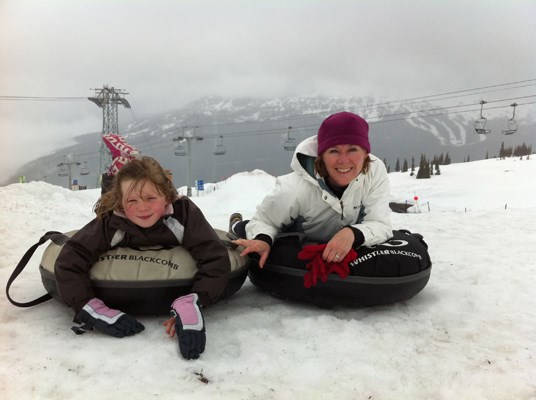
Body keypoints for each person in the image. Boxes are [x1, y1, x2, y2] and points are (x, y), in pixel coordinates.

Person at [55, 156, 230, 359]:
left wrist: (195, 300)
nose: (142, 207)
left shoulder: (183, 214)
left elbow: (215, 257)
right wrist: (89, 308)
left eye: (150, 198)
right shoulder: (112, 222)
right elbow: (70, 259)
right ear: (120, 201)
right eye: (132, 200)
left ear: (166, 195)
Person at [230, 111, 392, 272]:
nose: (344, 160)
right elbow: (265, 221)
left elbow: (380, 222)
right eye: (334, 151)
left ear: (365, 153)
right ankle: (236, 225)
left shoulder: (374, 172)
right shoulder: (293, 189)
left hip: (343, 238)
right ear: (321, 156)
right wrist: (263, 239)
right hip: (294, 235)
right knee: (251, 230)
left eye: (353, 149)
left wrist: (352, 233)